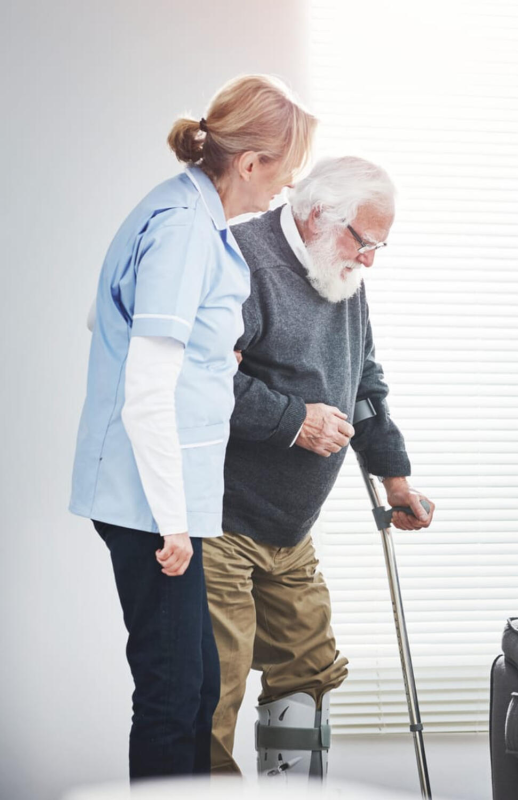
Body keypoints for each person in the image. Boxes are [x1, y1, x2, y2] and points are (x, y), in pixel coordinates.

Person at [69, 75, 316, 780]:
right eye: (286, 169)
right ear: (249, 163)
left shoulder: (185, 210)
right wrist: (172, 521)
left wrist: (210, 351)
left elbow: (108, 319)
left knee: (199, 688)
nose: (285, 187)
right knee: (175, 699)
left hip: (162, 494)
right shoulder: (184, 228)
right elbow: (146, 389)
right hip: (151, 500)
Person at [203, 156, 436, 779]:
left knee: (308, 668)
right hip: (216, 523)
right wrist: (293, 421)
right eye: (364, 242)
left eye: (381, 246)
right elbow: (203, 377)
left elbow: (364, 385)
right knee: (213, 692)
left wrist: (396, 480)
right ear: (314, 215)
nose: (370, 261)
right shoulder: (239, 260)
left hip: (290, 529)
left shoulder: (338, 276)